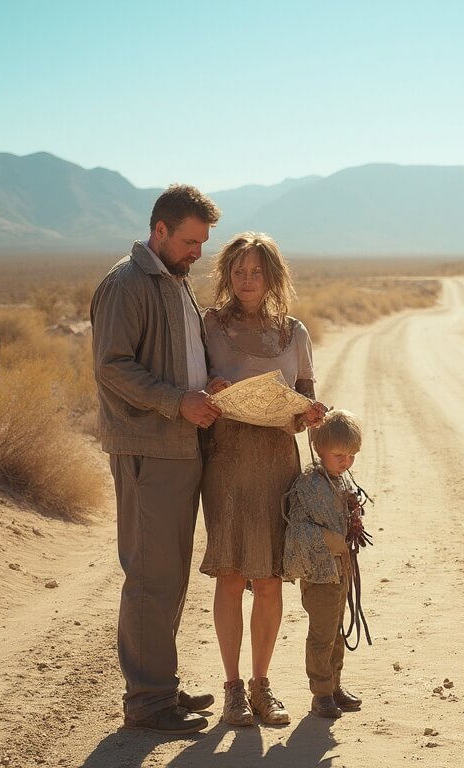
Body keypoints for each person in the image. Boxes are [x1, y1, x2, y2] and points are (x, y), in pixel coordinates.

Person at [90, 184, 223, 735]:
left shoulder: (175, 282)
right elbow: (113, 367)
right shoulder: (128, 283)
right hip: (148, 448)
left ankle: (160, 687)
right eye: (191, 241)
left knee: (169, 576)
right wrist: (178, 400)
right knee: (149, 576)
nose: (198, 253)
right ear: (160, 230)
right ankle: (147, 703)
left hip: (180, 446)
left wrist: (203, 383)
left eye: (203, 244)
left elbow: (177, 358)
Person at [200, 232, 327, 727]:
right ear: (227, 275)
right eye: (239, 272)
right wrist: (210, 388)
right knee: (232, 576)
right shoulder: (208, 325)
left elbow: (306, 398)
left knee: (271, 580)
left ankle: (261, 687)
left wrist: (309, 414)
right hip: (227, 462)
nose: (247, 280)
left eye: (257, 272)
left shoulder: (295, 333)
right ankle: (231, 690)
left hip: (278, 463)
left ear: (272, 277)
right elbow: (195, 383)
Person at [282, 409, 366, 719]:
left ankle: (334, 685)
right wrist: (330, 539)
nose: (346, 461)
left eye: (351, 455)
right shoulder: (309, 485)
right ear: (319, 448)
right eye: (339, 454)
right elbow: (298, 528)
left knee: (337, 632)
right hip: (319, 576)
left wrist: (350, 509)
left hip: (339, 572)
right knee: (321, 634)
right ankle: (320, 693)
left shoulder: (337, 481)